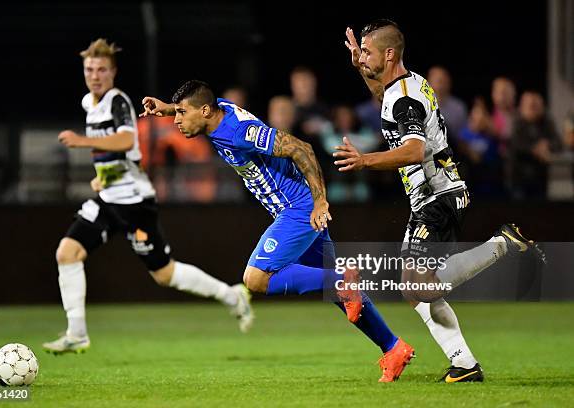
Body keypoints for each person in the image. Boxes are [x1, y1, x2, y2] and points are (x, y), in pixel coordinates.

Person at [140, 80, 415, 382]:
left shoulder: (238, 132)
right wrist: (167, 108)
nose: (176, 120)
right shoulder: (218, 112)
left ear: (205, 111)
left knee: (255, 279)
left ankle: (341, 281)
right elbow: (204, 100)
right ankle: (393, 348)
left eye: (181, 113)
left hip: (298, 209)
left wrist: (320, 200)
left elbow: (301, 148)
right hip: (299, 207)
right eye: (176, 113)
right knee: (337, 292)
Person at [339, 20, 545, 382]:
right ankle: (464, 364)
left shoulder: (403, 99)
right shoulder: (406, 84)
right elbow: (383, 99)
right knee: (414, 288)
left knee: (418, 284)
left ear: (389, 55)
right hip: (432, 197)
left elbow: (415, 150)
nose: (363, 56)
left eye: (369, 52)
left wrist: (365, 160)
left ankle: (501, 245)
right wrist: (362, 67)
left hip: (439, 197)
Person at [43, 39, 253, 355]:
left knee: (164, 274)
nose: (95, 75)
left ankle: (231, 295)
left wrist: (81, 141)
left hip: (134, 204)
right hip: (109, 198)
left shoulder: (118, 102)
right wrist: (104, 177)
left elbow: (128, 141)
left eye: (102, 69)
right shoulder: (90, 103)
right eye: (89, 69)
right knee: (67, 253)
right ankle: (77, 333)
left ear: (113, 72)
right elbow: (116, 154)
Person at [509, 91, 562, 199]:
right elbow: (516, 145)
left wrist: (548, 145)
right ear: (522, 107)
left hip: (540, 179)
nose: (534, 108)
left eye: (536, 105)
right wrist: (536, 149)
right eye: (530, 105)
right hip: (519, 179)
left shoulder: (547, 123)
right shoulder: (517, 122)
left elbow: (558, 143)